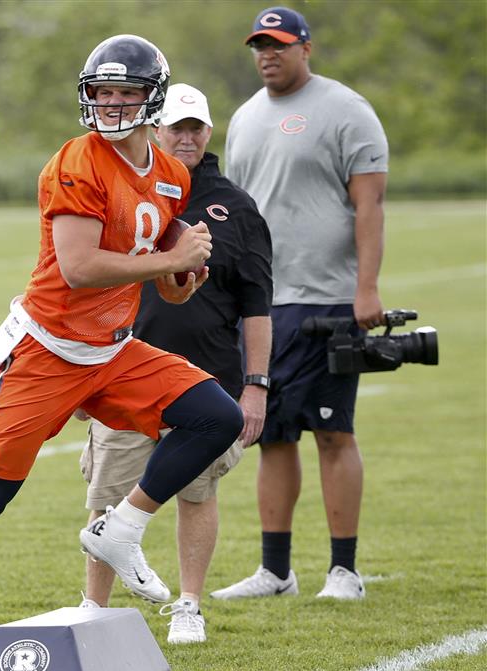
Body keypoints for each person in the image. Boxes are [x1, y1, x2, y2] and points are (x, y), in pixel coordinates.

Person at [0, 35, 244, 671]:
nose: (110, 103)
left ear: (150, 96)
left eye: (125, 91)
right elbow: (82, 266)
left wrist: (183, 271)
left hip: (112, 349)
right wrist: (171, 261)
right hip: (50, 349)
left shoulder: (170, 172)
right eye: (100, 91)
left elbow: (162, 272)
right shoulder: (77, 161)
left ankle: (120, 528)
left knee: (216, 415)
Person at [77, 83, 273, 644]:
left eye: (196, 128)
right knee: (107, 496)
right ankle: (94, 608)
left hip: (208, 379)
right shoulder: (121, 187)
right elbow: (86, 277)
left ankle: (188, 605)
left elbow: (258, 303)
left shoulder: (235, 205)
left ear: (209, 132)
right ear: (154, 128)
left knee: (197, 492)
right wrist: (81, 372)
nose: (186, 137)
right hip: (121, 373)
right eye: (176, 127)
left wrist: (256, 385)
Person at [213, 6, 388, 602]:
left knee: (333, 433)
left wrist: (366, 287)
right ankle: (276, 572)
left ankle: (344, 570)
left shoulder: (345, 109)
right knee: (273, 435)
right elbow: (237, 212)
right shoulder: (243, 118)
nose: (268, 54)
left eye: (280, 45)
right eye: (260, 46)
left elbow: (370, 206)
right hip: (264, 304)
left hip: (328, 301)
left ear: (305, 48)